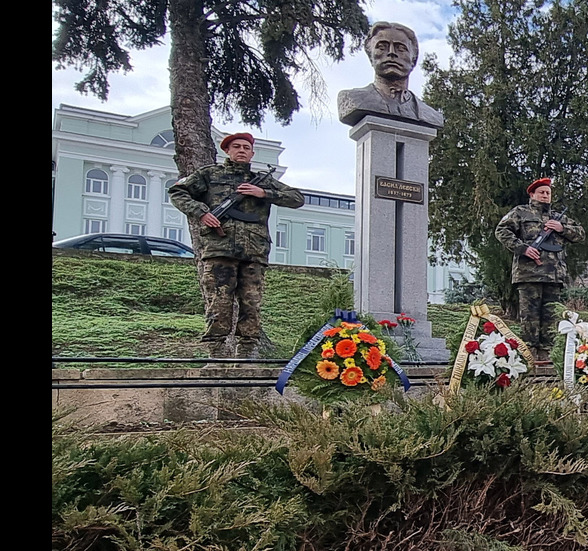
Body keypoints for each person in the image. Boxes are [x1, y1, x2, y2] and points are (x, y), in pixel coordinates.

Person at [168, 132, 304, 360]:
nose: (241, 150)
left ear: (252, 153)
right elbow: (177, 191)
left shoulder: (261, 180)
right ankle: (216, 356)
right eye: (236, 147)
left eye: (246, 147)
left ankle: (246, 356)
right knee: (219, 302)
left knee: (251, 303)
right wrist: (202, 213)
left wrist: (263, 193)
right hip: (220, 249)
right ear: (227, 151)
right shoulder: (209, 174)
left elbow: (297, 198)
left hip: (254, 251)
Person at [495, 177, 585, 361]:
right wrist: (523, 248)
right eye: (541, 192)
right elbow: (501, 231)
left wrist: (562, 228)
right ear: (532, 194)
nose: (545, 196)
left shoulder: (559, 218)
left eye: (548, 193)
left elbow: (580, 234)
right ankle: (528, 357)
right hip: (529, 274)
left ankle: (547, 357)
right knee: (530, 319)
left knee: (551, 319)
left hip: (554, 275)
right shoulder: (520, 212)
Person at [336, 21, 444, 129]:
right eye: (382, 47)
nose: (391, 52)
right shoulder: (354, 99)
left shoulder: (429, 114)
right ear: (370, 56)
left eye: (401, 49)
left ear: (413, 59)